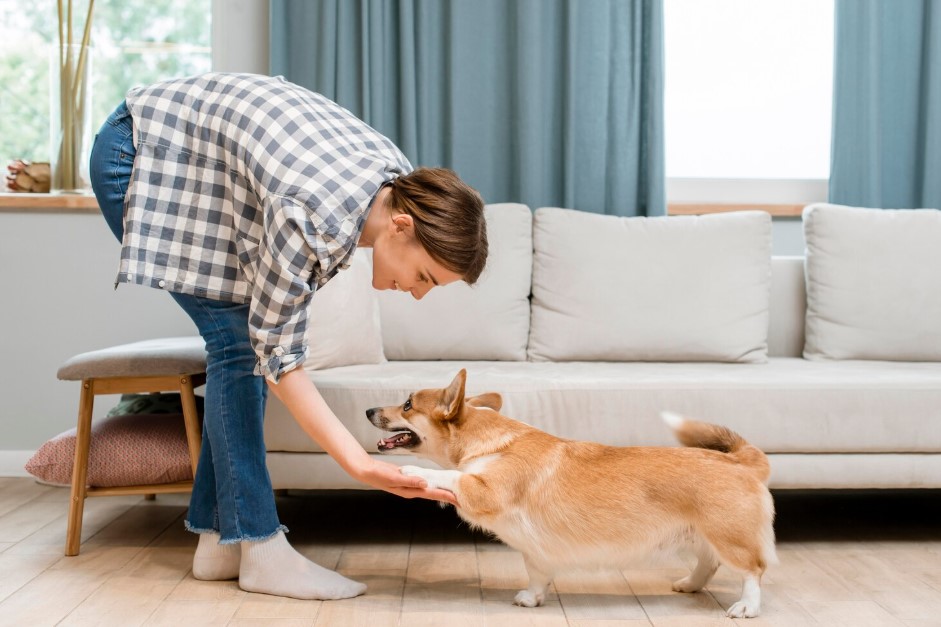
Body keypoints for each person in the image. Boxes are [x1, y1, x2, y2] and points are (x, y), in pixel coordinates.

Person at [88, 73, 488, 600]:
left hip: (205, 166)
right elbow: (276, 358)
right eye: (425, 278)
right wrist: (361, 463)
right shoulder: (314, 216)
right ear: (402, 227)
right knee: (239, 347)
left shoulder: (398, 187)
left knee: (240, 343)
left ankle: (218, 541)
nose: (416, 294)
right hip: (143, 153)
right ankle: (260, 547)